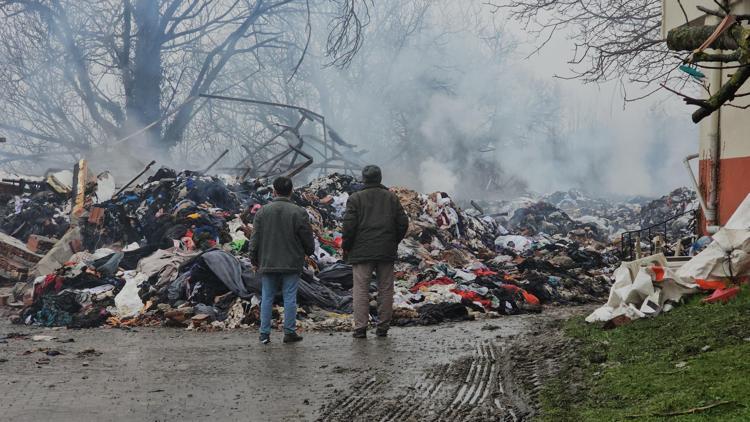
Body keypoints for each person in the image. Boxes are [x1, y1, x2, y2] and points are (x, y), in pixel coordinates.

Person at [343, 165, 409, 338]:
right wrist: (393, 240)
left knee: (360, 290)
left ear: (364, 179)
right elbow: (403, 223)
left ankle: (360, 328)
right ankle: (383, 328)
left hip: (361, 252)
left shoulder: (355, 198)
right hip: (385, 251)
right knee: (386, 289)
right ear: (380, 178)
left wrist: (347, 246)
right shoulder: (391, 198)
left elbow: (349, 227)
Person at [249, 176, 315, 344]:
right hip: (291, 261)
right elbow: (306, 236)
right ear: (291, 191)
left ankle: (264, 334)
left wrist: (254, 259)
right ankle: (289, 332)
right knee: (290, 297)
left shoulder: (262, 212)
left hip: (268, 261)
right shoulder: (298, 212)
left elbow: (255, 239)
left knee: (267, 297)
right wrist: (309, 251)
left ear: (274, 191)